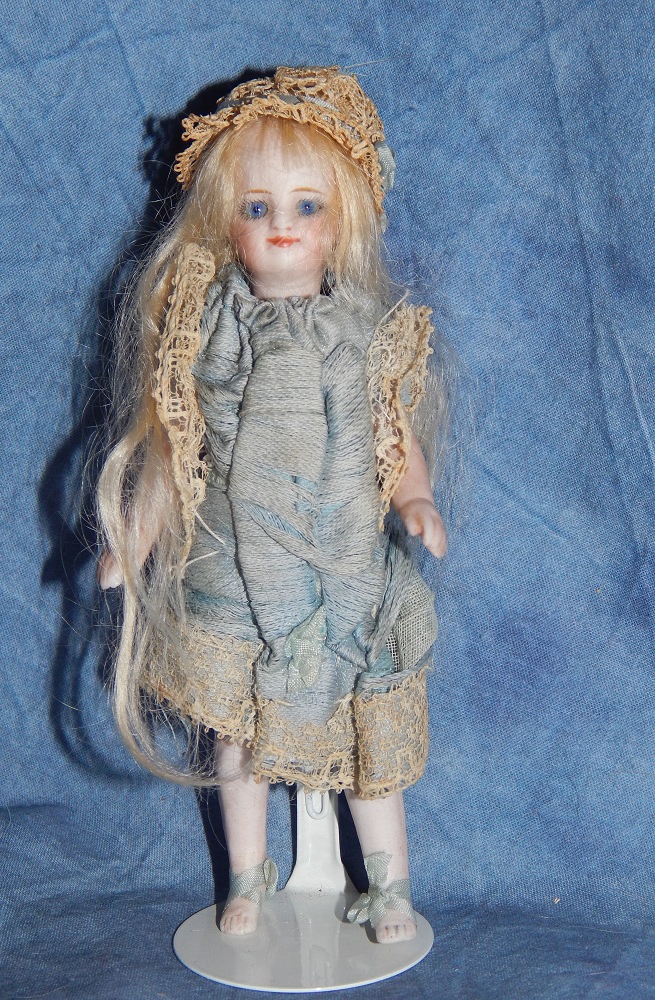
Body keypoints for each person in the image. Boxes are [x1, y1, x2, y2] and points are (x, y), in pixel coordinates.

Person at [97, 66, 446, 943]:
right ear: (225, 220)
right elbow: (173, 446)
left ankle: (391, 887)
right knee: (239, 738)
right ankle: (246, 877)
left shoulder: (362, 329)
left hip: (344, 569)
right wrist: (133, 538)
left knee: (366, 751)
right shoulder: (205, 333)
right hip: (234, 570)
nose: (282, 225)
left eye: (306, 206)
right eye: (257, 207)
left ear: (343, 220)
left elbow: (392, 428)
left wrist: (415, 496)